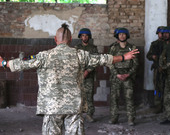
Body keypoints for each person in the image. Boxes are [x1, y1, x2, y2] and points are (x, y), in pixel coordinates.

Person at [0, 23, 139, 135]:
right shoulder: (80, 55)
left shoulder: (44, 56)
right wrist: (123, 57)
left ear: (55, 40)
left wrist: (4, 63)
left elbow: (22, 63)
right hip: (74, 106)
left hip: (52, 107)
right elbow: (102, 59)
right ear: (71, 40)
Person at [108, 27, 139, 126]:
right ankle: (114, 118)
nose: (122, 36)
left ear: (127, 35)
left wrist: (128, 74)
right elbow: (109, 63)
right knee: (114, 98)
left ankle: (131, 118)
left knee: (129, 98)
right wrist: (116, 74)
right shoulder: (113, 48)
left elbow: (136, 64)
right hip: (116, 76)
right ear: (117, 36)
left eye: (124, 34)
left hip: (128, 76)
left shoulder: (132, 48)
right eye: (120, 34)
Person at [75, 28, 98, 122]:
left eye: (86, 36)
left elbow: (95, 61)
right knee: (78, 96)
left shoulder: (93, 48)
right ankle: (78, 115)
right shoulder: (76, 48)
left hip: (89, 76)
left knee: (89, 95)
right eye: (83, 36)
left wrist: (87, 71)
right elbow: (74, 61)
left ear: (89, 37)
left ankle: (89, 114)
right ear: (80, 37)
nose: (84, 37)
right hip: (78, 75)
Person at [146, 26, 165, 113]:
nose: (162, 35)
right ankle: (158, 105)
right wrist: (152, 57)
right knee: (157, 87)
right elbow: (148, 56)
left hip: (166, 69)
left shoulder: (168, 44)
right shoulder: (154, 44)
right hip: (157, 69)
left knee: (165, 87)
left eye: (164, 33)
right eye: (161, 33)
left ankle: (165, 106)